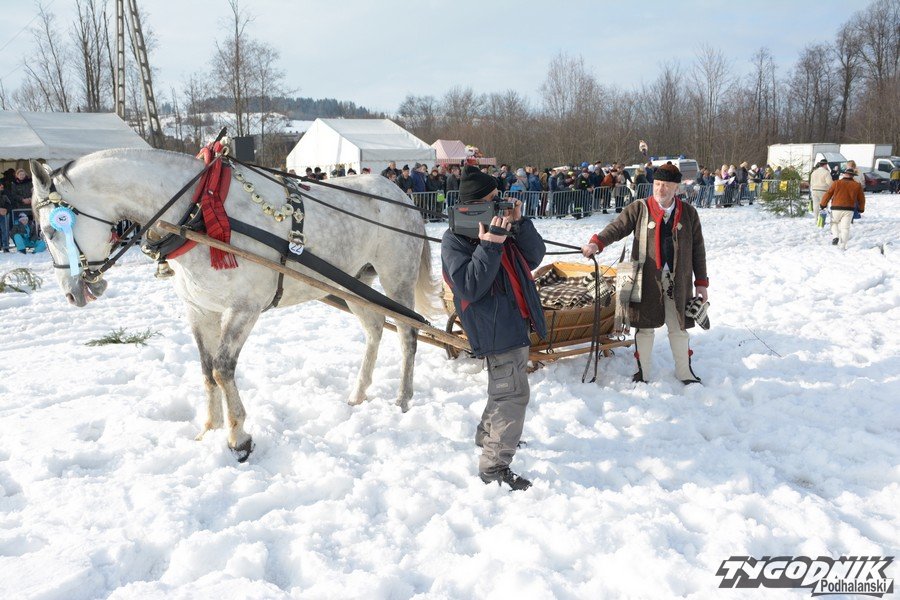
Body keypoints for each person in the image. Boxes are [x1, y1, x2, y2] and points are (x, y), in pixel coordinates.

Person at [441, 165, 547, 491]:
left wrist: (520, 223)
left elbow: (534, 257)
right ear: (475, 205)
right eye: (493, 198)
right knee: (512, 394)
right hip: (495, 327)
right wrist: (489, 245)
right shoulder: (455, 240)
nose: (500, 203)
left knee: (503, 388)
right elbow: (470, 286)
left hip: (513, 321)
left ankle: (489, 434)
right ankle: (494, 466)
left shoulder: (502, 226)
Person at [581, 162, 708, 384]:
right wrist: (596, 243)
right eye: (657, 184)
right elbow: (617, 228)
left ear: (676, 187)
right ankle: (643, 373)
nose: (660, 189)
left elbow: (698, 249)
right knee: (644, 328)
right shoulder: (639, 208)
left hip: (678, 282)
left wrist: (701, 283)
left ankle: (684, 372)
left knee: (678, 328)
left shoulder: (689, 213)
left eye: (666, 185)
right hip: (646, 280)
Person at [820, 167, 865, 249]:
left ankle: (836, 236)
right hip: (849, 209)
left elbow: (828, 193)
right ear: (852, 176)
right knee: (845, 228)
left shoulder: (837, 183)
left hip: (836, 208)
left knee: (834, 223)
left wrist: (823, 204)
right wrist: (861, 209)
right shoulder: (857, 185)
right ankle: (843, 246)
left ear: (844, 174)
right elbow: (861, 199)